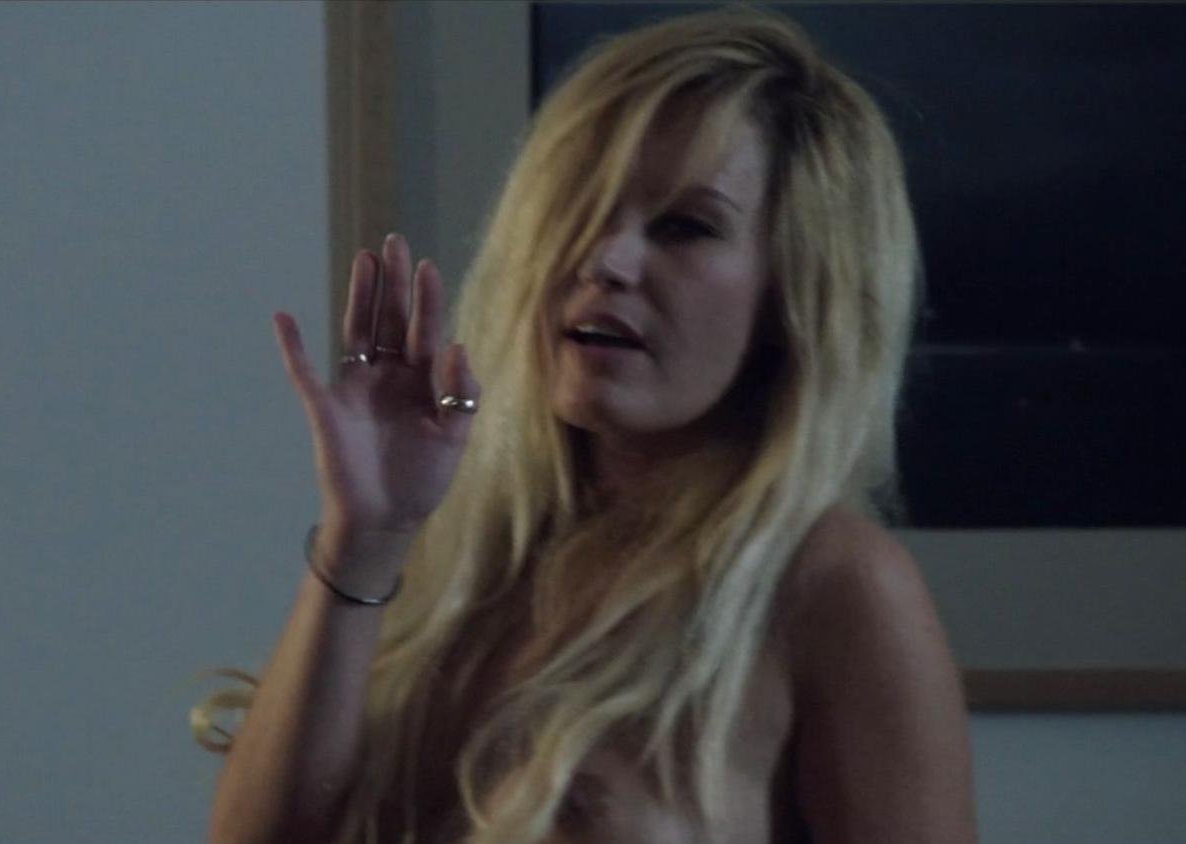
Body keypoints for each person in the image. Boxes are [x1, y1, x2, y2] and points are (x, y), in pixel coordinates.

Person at [194, 6, 973, 843]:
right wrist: (363, 537)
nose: (604, 260)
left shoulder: (832, 583)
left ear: (796, 293)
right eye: (581, 208)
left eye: (685, 227)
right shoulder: (452, 552)